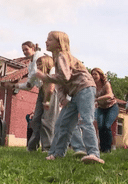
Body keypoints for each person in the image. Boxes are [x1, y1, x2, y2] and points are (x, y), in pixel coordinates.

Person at [36, 31, 104, 164]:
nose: (46, 42)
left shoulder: (62, 55)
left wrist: (46, 77)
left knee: (86, 120)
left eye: (49, 39)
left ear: (59, 43)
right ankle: (56, 153)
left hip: (85, 89)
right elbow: (62, 83)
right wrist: (62, 99)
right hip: (75, 93)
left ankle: (94, 154)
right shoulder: (57, 59)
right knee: (61, 123)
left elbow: (64, 77)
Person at [4, 41, 57, 152]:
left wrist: (15, 84)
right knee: (36, 119)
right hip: (41, 90)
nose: (24, 52)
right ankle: (32, 147)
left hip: (50, 88)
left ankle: (47, 148)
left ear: (33, 48)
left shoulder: (41, 58)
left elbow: (39, 76)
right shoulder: (31, 64)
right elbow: (29, 85)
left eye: (26, 49)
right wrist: (15, 85)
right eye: (23, 50)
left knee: (47, 120)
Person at [91, 67, 118, 153]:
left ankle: (108, 148)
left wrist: (97, 99)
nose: (93, 76)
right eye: (92, 74)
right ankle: (102, 148)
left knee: (107, 126)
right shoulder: (93, 86)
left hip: (112, 107)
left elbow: (110, 95)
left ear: (100, 75)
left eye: (95, 74)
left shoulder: (106, 84)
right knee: (100, 127)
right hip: (101, 108)